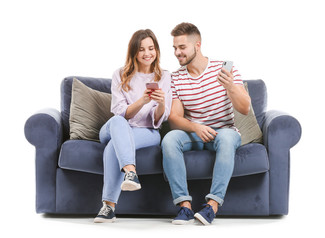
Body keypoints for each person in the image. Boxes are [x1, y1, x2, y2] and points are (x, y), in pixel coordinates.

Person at [161, 22, 251, 225]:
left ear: (197, 45)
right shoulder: (176, 78)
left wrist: (231, 87)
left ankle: (212, 205)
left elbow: (244, 108)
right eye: (175, 48)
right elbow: (175, 118)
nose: (177, 52)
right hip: (195, 133)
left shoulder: (224, 69)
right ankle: (184, 207)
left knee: (227, 138)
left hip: (224, 131)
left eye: (182, 47)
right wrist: (196, 127)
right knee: (169, 139)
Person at [94, 29, 172, 223]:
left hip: (147, 132)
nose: (147, 53)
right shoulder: (120, 74)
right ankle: (131, 171)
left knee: (114, 146)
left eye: (151, 48)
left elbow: (159, 119)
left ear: (157, 50)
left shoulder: (164, 76)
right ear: (134, 52)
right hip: (116, 127)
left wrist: (161, 103)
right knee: (119, 122)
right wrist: (142, 101)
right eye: (141, 49)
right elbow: (119, 113)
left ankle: (108, 207)